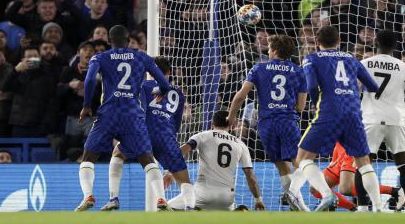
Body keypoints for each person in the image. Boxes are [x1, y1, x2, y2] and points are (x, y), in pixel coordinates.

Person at [75, 25, 172, 212]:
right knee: (147, 158)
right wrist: (164, 90)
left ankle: (88, 195)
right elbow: (163, 81)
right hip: (133, 114)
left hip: (109, 113)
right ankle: (161, 199)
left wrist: (87, 106)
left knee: (88, 156)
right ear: (128, 41)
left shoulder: (100, 57)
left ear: (110, 41)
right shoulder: (141, 56)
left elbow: (88, 81)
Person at [288, 26, 382, 212]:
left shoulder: (311, 58)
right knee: (363, 162)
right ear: (339, 42)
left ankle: (326, 194)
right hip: (353, 114)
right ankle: (378, 208)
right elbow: (373, 86)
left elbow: (312, 85)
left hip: (329, 113)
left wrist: (316, 103)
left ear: (317, 42)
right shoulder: (352, 59)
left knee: (303, 158)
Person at [101, 56, 194, 211]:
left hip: (144, 132)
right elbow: (177, 121)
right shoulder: (179, 94)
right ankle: (191, 209)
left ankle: (114, 198)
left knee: (118, 152)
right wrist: (169, 135)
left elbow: (138, 110)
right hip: (166, 135)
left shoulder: (143, 86)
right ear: (169, 72)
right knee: (184, 180)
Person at [228, 34, 308, 209]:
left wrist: (232, 116)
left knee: (282, 166)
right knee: (302, 162)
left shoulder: (259, 68)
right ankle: (293, 193)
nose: (269, 52)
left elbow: (241, 95)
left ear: (275, 50)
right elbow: (301, 107)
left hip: (266, 123)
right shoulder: (298, 71)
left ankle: (302, 208)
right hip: (287, 121)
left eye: (270, 49)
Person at [358, 29, 405, 212]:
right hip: (396, 119)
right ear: (396, 46)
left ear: (376, 43)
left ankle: (361, 207)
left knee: (364, 164)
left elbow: (354, 92)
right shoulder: (404, 67)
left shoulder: (364, 64)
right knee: (403, 162)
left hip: (370, 119)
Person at [166, 110, 265, 211]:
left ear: (212, 124)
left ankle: (195, 209)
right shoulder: (241, 144)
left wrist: (170, 171)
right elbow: (250, 176)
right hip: (227, 197)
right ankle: (234, 213)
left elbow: (180, 152)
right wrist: (258, 200)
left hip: (202, 193)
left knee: (167, 208)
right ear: (231, 125)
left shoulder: (202, 136)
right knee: (224, 211)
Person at [310, 142, 405, 211]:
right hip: (339, 154)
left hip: (351, 151)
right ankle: (352, 208)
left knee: (346, 189)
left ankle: (394, 191)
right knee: (315, 188)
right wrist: (334, 158)